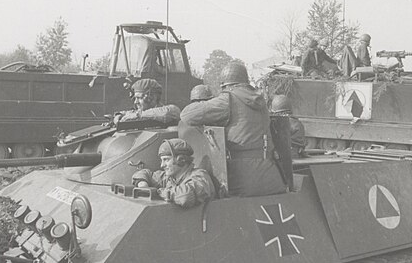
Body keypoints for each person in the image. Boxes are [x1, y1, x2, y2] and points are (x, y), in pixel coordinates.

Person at [180, 62, 287, 197]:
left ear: (225, 85)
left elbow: (186, 115)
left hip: (243, 179)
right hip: (271, 177)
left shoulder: (227, 99)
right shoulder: (261, 101)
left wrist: (206, 102)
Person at [131, 138, 215, 208]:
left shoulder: (200, 176)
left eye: (166, 160)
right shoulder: (170, 177)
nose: (162, 165)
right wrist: (142, 184)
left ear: (181, 159)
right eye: (162, 160)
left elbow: (185, 196)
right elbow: (145, 173)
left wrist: (158, 192)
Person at [114, 78, 180, 125]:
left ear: (153, 98)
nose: (135, 102)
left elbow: (168, 113)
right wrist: (119, 115)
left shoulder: (170, 111)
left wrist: (135, 116)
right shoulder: (144, 112)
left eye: (139, 98)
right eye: (135, 98)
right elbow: (132, 112)